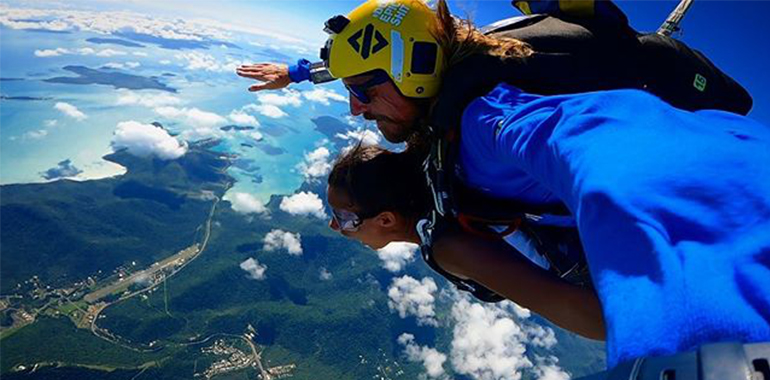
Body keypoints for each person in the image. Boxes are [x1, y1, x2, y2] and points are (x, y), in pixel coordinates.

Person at [238, 0, 769, 369]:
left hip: (706, 139)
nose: (356, 109)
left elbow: (613, 155)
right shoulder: (453, 59)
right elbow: (366, 63)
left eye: (362, 92)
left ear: (414, 72)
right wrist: (301, 72)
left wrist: (717, 310)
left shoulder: (489, 120)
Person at [326, 144, 605, 340]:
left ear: (386, 219)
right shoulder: (438, 171)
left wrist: (641, 331)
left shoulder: (449, 246)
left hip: (606, 272)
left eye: (344, 218)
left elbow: (569, 305)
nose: (334, 226)